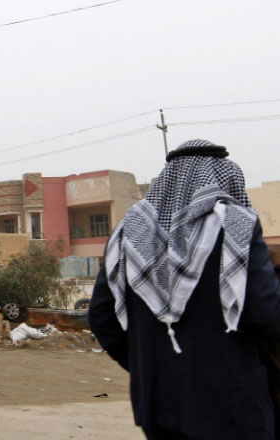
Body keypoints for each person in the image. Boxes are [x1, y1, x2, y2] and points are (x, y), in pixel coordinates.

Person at [88, 139, 280, 440]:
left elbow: (102, 317)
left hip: (157, 404)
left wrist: (148, 364)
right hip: (233, 407)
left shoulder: (128, 233)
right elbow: (268, 311)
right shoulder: (236, 225)